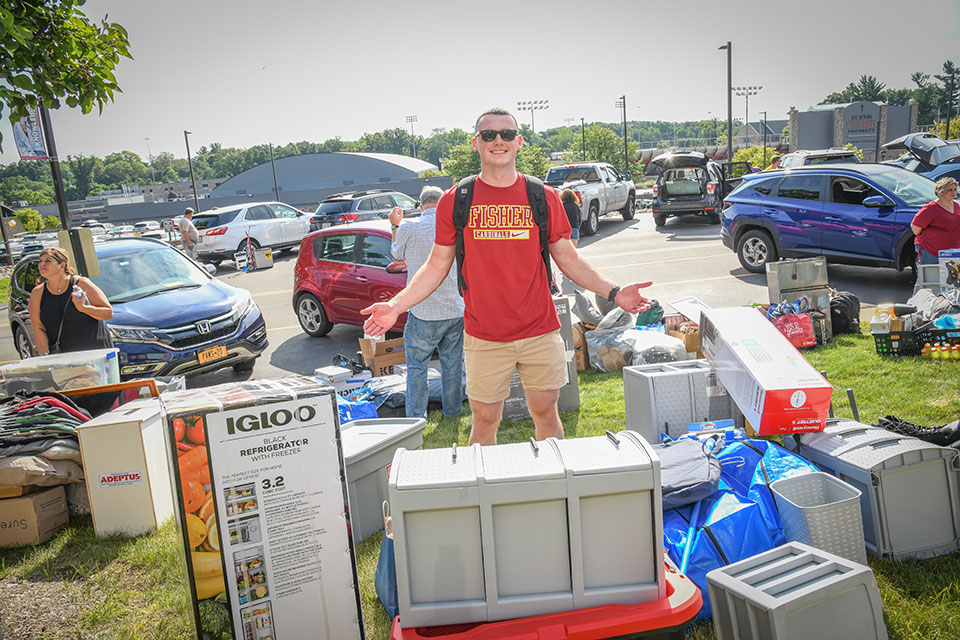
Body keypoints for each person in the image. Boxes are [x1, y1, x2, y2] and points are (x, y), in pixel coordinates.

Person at [362, 107, 652, 445]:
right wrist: (396, 306)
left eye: (506, 134)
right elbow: (436, 266)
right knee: (485, 421)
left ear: (519, 142)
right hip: (484, 335)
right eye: (489, 135)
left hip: (539, 330)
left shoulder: (541, 196)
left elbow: (568, 258)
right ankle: (486, 494)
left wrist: (614, 292)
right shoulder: (457, 200)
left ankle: (552, 487)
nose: (498, 140)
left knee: (546, 412)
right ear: (476, 143)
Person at [388, 186, 465, 419]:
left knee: (417, 367)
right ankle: (452, 412)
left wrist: (394, 225)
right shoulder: (455, 228)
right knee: (452, 365)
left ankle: (416, 416)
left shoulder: (410, 228)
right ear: (442, 204)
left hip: (422, 309)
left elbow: (396, 254)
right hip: (454, 307)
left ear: (421, 206)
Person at [28, 248, 114, 356]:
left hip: (95, 353)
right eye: (40, 261)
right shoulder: (37, 293)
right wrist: (44, 356)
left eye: (48, 261)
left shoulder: (81, 284)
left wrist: (83, 308)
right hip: (64, 358)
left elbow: (108, 313)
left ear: (62, 265)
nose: (42, 264)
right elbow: (38, 327)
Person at [912, 176, 960, 266]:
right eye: (950, 190)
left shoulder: (956, 205)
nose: (953, 192)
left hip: (952, 251)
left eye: (955, 189)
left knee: (950, 278)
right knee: (928, 278)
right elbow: (915, 228)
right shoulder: (931, 207)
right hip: (931, 250)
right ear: (942, 191)